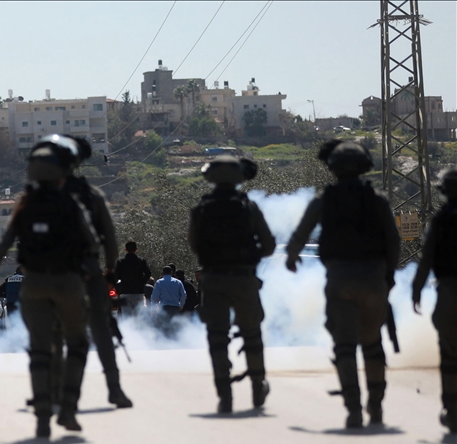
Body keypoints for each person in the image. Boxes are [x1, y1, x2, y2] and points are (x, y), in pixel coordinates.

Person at [0, 135, 100, 438]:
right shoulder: (70, 203)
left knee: (39, 351)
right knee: (77, 345)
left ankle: (43, 417)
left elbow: (2, 247)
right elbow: (92, 244)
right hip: (68, 283)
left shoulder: (25, 205)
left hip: (34, 286)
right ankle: (68, 408)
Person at [286, 140, 399, 428]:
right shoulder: (377, 200)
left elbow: (301, 232)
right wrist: (388, 277)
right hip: (373, 279)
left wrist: (292, 257)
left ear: (332, 168)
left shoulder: (325, 199)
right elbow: (392, 241)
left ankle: (353, 408)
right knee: (373, 345)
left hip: (340, 280)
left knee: (345, 347)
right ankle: (376, 404)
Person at [189, 154, 275, 414]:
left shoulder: (202, 208)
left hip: (213, 278)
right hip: (243, 278)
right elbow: (269, 245)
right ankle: (257, 385)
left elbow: (194, 245)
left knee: (217, 337)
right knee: (252, 333)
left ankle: (224, 394)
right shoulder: (248, 207)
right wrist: (249, 258)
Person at [61, 135, 133, 408]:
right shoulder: (91, 195)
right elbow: (111, 240)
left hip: (52, 275)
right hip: (88, 273)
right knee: (102, 332)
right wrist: (111, 270)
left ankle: (55, 392)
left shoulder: (40, 196)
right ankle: (114, 389)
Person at [412, 168, 457, 434]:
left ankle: (452, 411)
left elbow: (427, 258)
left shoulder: (441, 220)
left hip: (450, 293)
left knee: (450, 356)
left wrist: (417, 289)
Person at [114, 240, 151, 316]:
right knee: (137, 317)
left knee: (127, 317)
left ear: (126, 250)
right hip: (138, 292)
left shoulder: (121, 261)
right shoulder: (141, 261)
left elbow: (116, 276)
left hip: (125, 292)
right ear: (136, 249)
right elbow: (148, 273)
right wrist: (142, 282)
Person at [151, 266, 187, 336]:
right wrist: (181, 305)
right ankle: (175, 342)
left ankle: (166, 342)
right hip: (175, 308)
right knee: (174, 326)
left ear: (162, 273)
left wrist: (153, 308)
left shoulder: (159, 282)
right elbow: (183, 295)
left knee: (164, 327)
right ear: (171, 273)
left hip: (163, 308)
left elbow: (154, 296)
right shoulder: (178, 282)